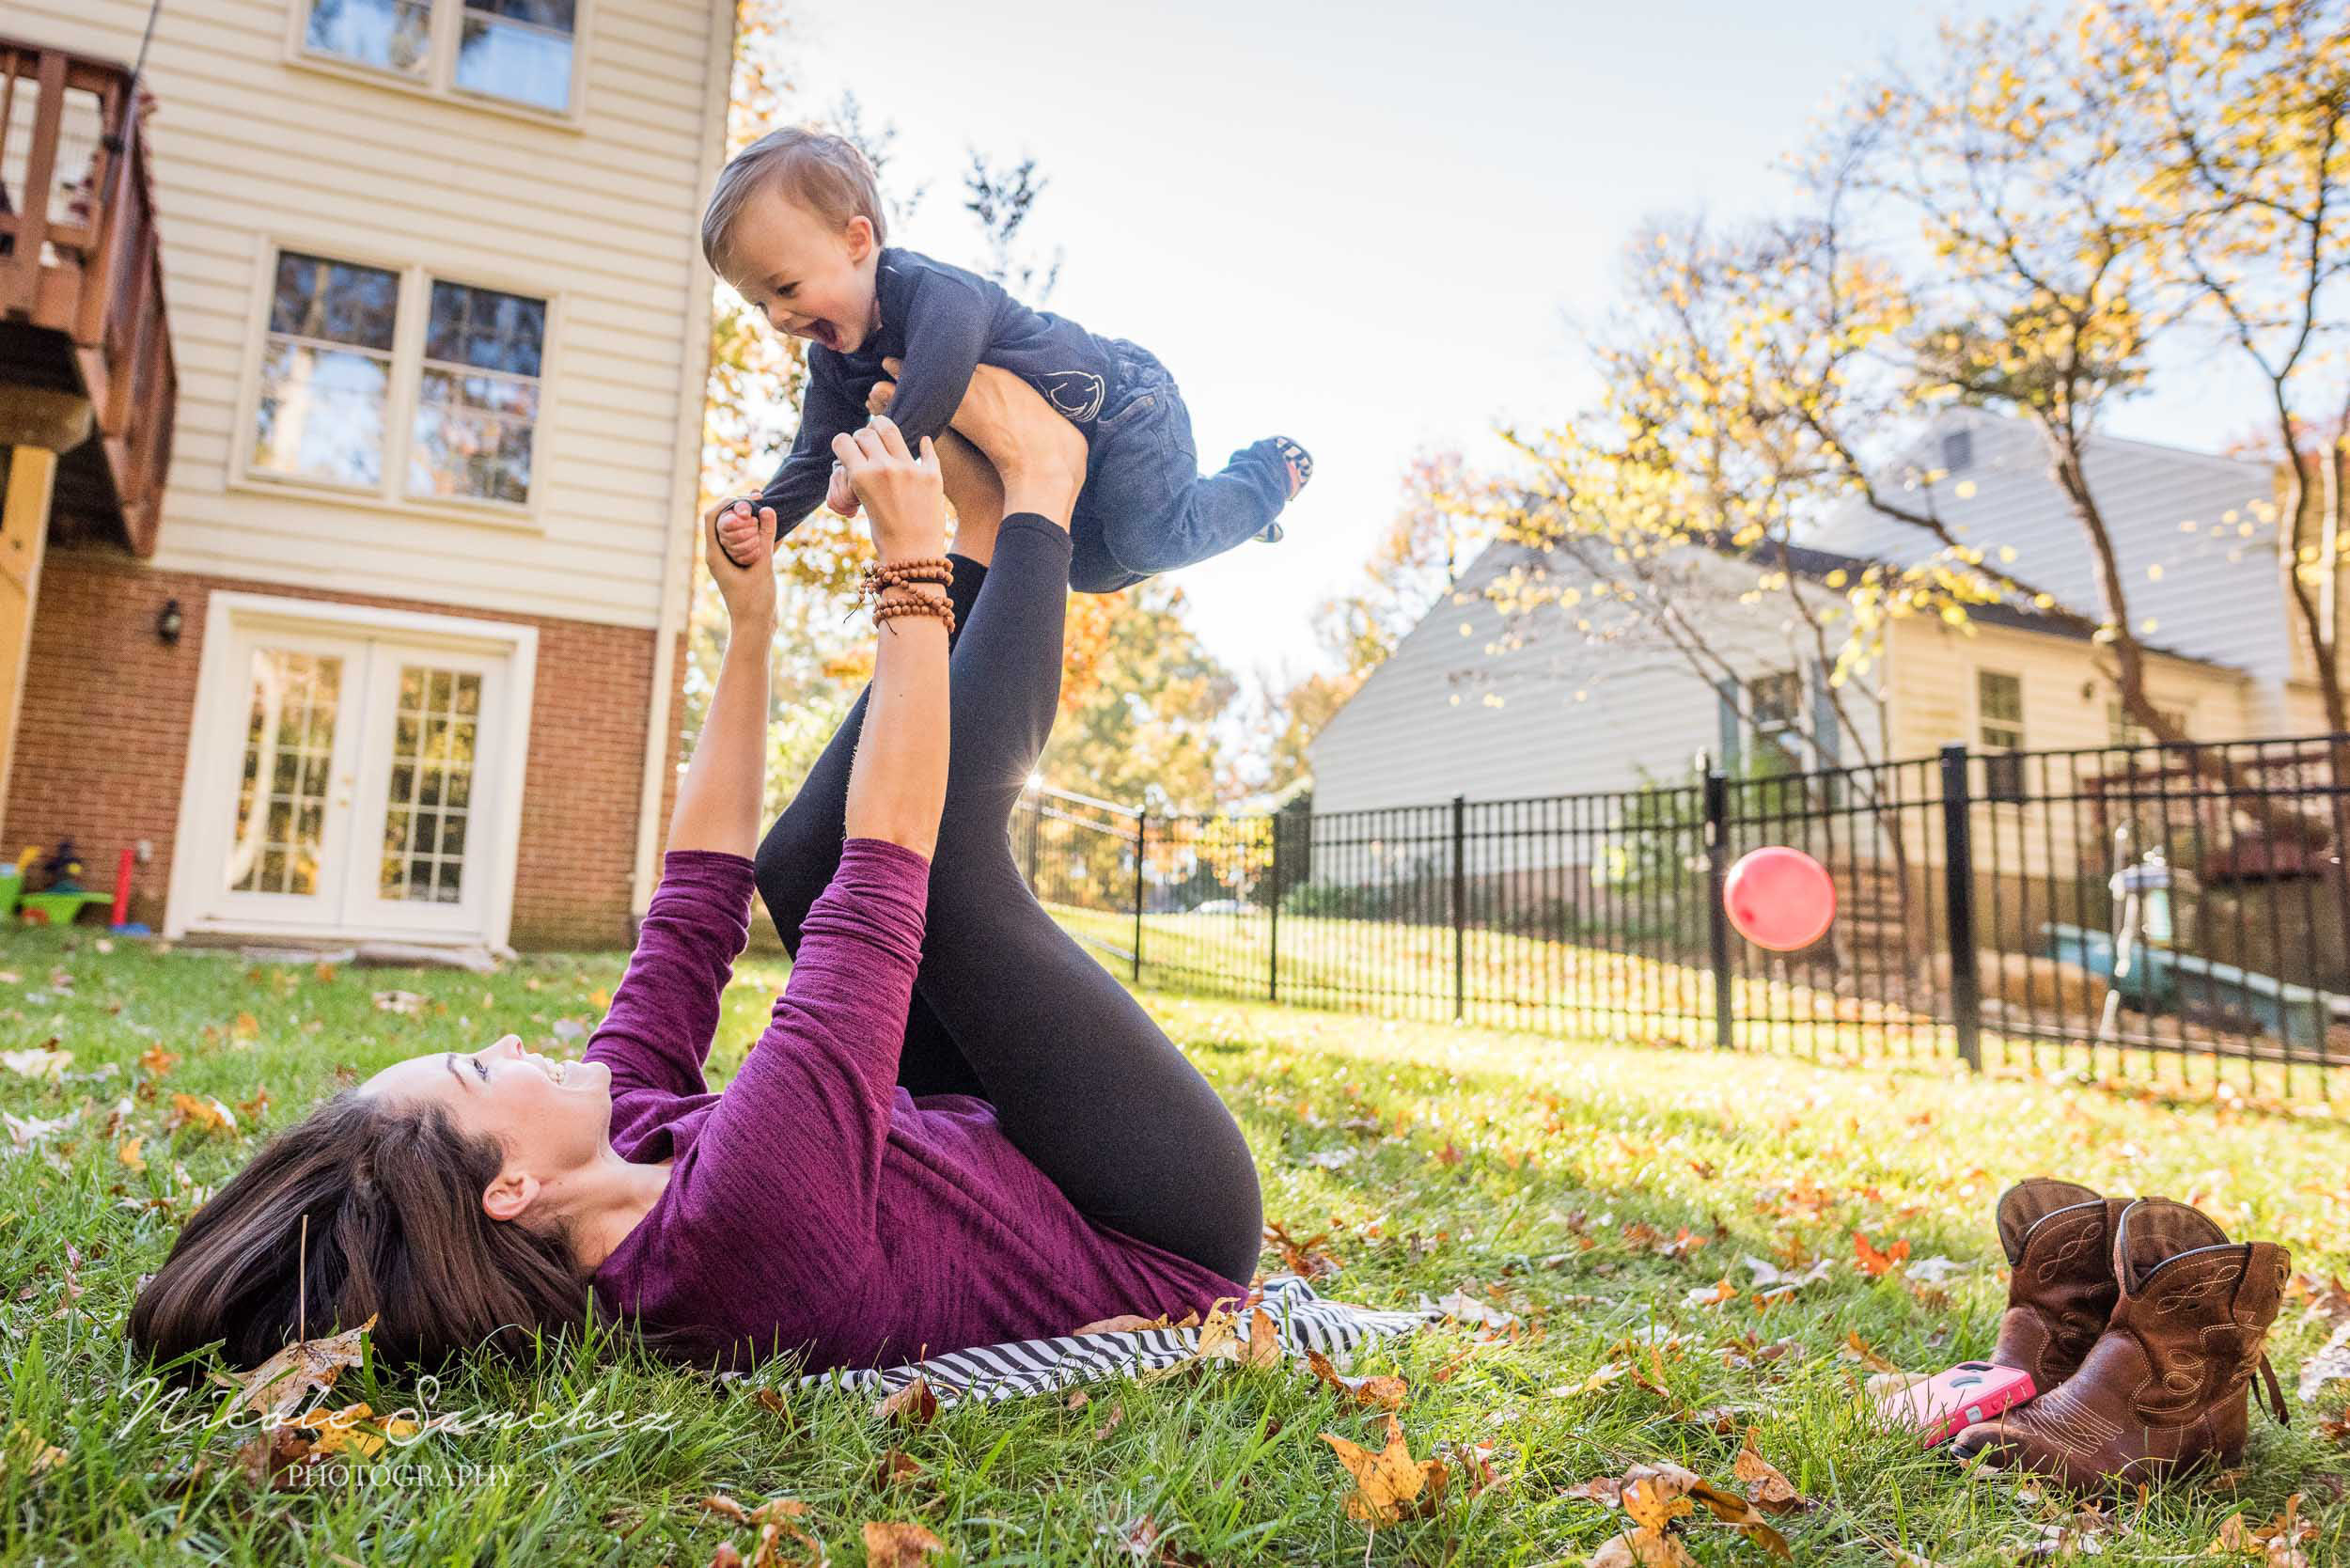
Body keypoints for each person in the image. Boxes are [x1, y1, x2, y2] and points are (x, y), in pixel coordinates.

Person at [126, 368, 1264, 1375]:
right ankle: (1038, 498)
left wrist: (751, 626)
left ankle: (978, 531)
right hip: (1142, 1213)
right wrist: (908, 576)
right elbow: (888, 884)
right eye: (481, 1066)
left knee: (792, 864)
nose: (517, 1042)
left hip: (986, 1141)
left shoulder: (613, 1150)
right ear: (508, 1189)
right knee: (934, 871)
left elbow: (693, 906)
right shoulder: (741, 1232)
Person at [700, 126, 1311, 595]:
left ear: (856, 242)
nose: (778, 318)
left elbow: (938, 381)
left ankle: (1261, 479)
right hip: (1067, 474)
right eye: (758, 306)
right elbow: (812, 454)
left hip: (1125, 407)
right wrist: (764, 516)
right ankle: (1217, 514)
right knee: (1091, 571)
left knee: (1148, 535)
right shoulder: (834, 362)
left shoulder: (934, 292)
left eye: (786, 289)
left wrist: (876, 454)